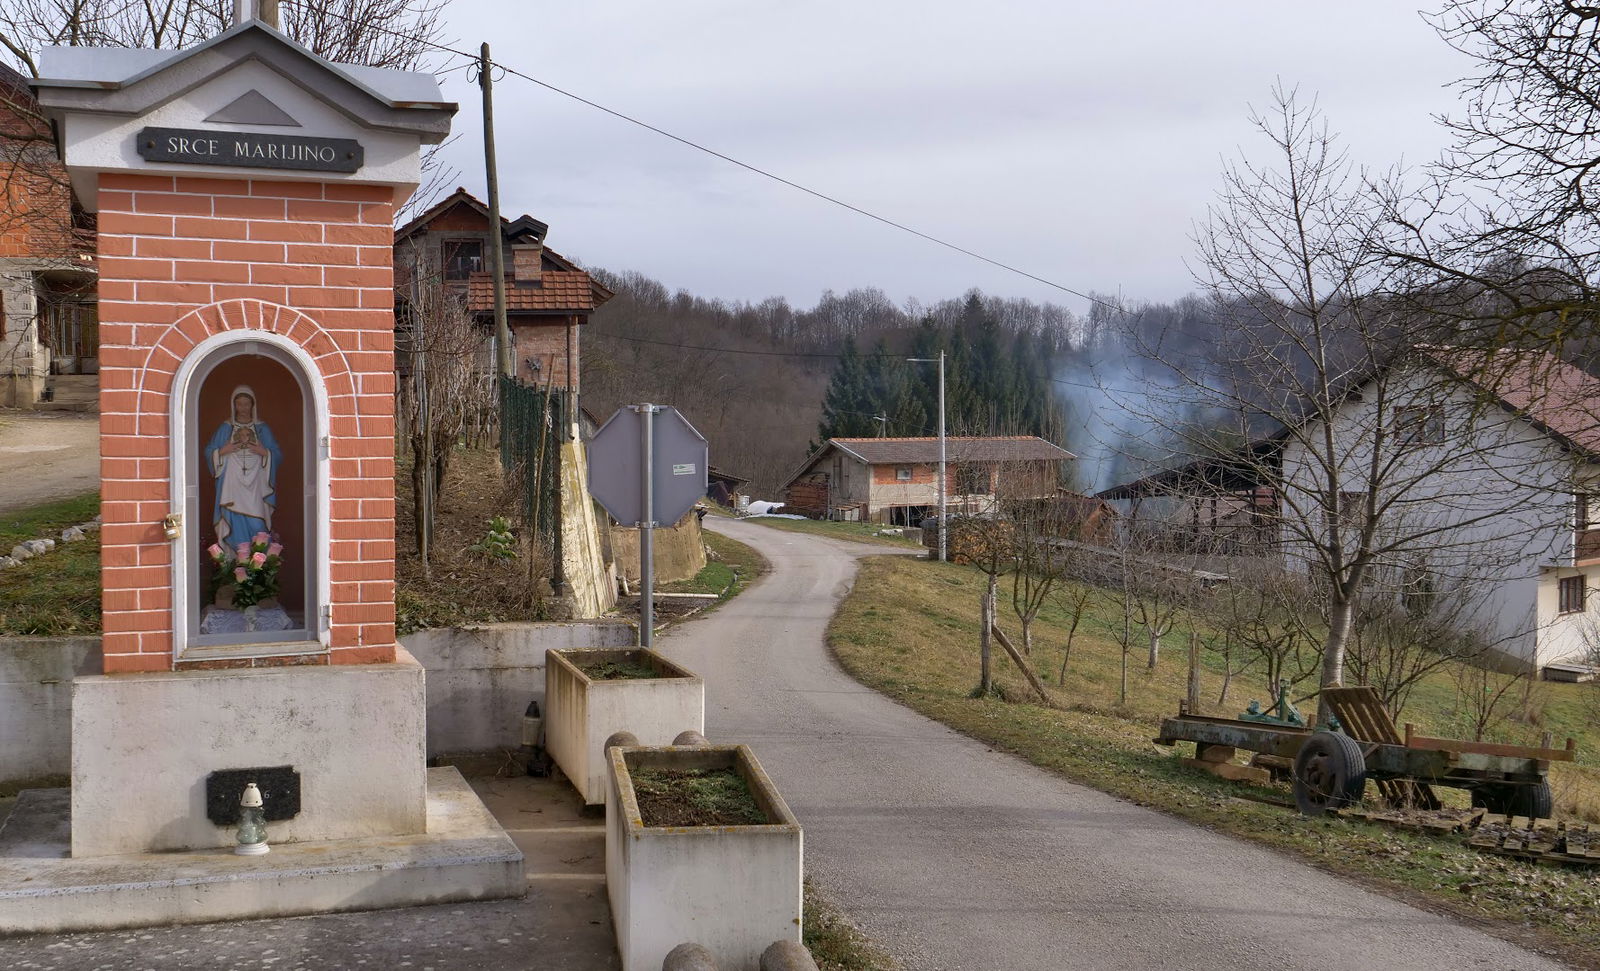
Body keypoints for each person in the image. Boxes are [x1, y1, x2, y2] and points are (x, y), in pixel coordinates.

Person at [205, 386, 282, 548]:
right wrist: (222, 451)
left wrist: (264, 452)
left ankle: (258, 561)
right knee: (234, 521)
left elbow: (277, 454)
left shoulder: (262, 429)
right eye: (239, 404)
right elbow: (209, 451)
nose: (243, 408)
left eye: (246, 404)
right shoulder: (226, 428)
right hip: (232, 486)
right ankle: (235, 561)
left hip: (256, 487)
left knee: (257, 525)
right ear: (234, 406)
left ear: (253, 405)